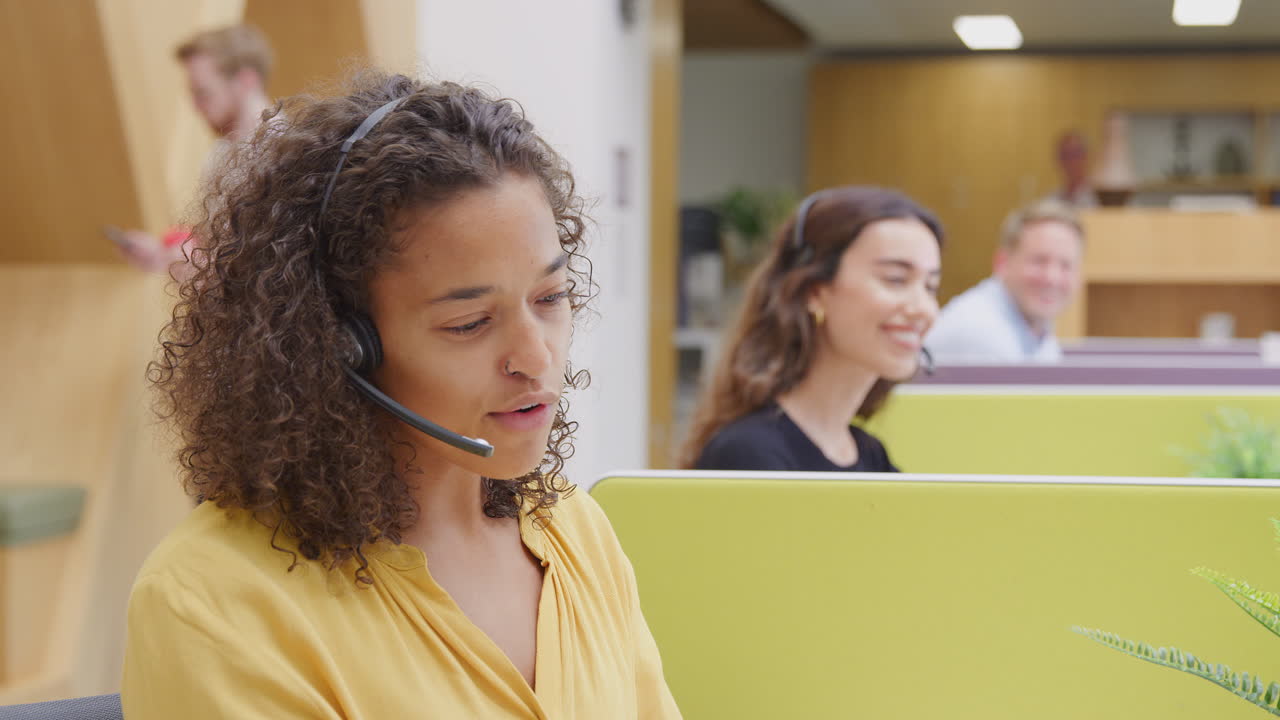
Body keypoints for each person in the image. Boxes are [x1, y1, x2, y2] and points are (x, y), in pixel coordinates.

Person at [121, 70, 681, 719]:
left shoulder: (573, 529)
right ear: (338, 343)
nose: (537, 357)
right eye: (469, 323)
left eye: (551, 297)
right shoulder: (215, 603)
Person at [681, 186, 943, 473]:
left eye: (930, 286)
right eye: (895, 279)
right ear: (815, 291)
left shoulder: (871, 454)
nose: (923, 309)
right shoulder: (749, 453)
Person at [113, 24, 273, 279]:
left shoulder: (284, 153)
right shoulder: (220, 154)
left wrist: (201, 263)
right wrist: (162, 253)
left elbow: (275, 263)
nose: (196, 107)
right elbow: (215, 243)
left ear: (246, 80)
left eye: (203, 93)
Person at [926, 199, 1084, 365]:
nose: (1052, 278)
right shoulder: (981, 333)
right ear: (1002, 263)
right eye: (1039, 261)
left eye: (1066, 265)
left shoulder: (1034, 326)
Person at [1047, 130, 1097, 208]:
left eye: (1075, 154)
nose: (1071, 161)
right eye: (1065, 155)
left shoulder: (1098, 198)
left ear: (1086, 157)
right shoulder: (1053, 199)